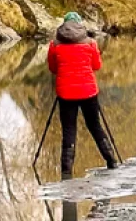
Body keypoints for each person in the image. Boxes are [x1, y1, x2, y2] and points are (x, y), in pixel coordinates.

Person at [46, 12, 118, 179]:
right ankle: (111, 160)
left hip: (65, 93)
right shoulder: (90, 43)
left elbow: (53, 68)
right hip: (88, 91)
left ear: (63, 26)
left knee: (69, 130)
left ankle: (66, 170)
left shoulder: (54, 45)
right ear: (80, 25)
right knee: (95, 126)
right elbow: (97, 66)